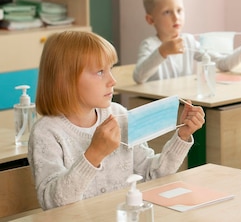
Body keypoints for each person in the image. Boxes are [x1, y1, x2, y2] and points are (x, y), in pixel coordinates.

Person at [28, 30, 206, 210]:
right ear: (65, 79)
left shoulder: (118, 114)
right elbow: (53, 203)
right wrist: (94, 155)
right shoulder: (47, 132)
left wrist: (182, 136)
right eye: (99, 72)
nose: (112, 80)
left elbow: (151, 174)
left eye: (110, 69)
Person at [133, 0, 241, 83]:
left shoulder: (188, 41)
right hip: (159, 108)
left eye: (179, 10)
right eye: (167, 12)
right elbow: (139, 77)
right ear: (150, 19)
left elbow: (223, 64)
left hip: (185, 105)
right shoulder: (149, 45)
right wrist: (162, 52)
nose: (176, 17)